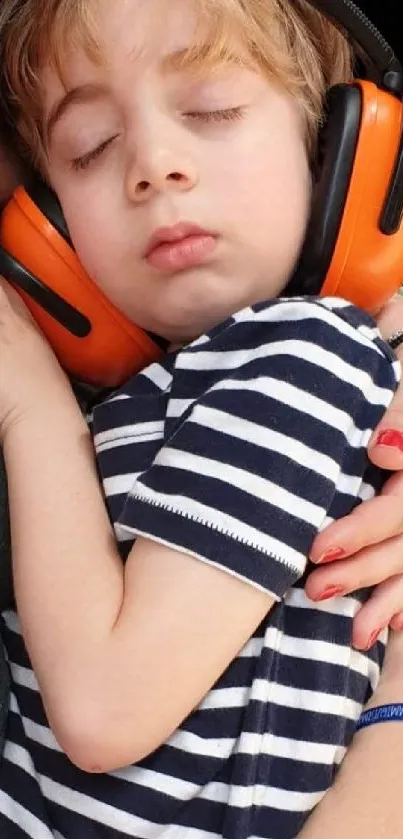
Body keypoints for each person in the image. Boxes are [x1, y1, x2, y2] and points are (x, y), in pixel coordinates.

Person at [3, 1, 403, 837]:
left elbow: (106, 708)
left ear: (335, 155)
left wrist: (27, 401)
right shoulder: (142, 395)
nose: (151, 163)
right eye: (91, 147)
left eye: (213, 108)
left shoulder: (302, 350)